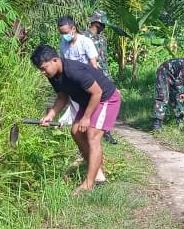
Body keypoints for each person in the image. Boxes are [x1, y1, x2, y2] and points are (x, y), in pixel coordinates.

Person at [31, 44, 121, 193]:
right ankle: (97, 173)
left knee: (92, 135)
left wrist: (86, 118)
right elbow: (62, 96)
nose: (43, 72)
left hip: (105, 98)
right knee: (75, 132)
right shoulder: (53, 75)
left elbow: (97, 93)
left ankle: (89, 183)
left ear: (55, 60)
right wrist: (50, 115)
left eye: (44, 68)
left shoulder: (73, 71)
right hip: (88, 101)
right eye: (40, 69)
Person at [84, 11, 118, 144]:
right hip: (90, 73)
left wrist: (108, 73)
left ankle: (107, 132)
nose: (104, 27)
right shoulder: (84, 37)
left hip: (104, 73)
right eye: (103, 24)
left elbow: (104, 58)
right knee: (91, 101)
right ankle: (89, 129)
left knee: (108, 101)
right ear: (97, 23)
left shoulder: (102, 38)